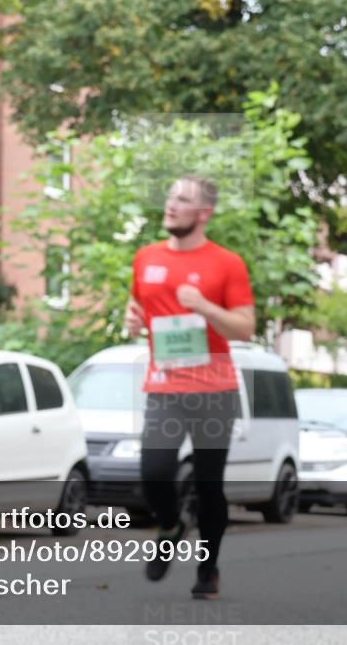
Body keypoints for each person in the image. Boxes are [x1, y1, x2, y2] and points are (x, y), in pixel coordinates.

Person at [124, 175, 255, 599]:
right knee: (155, 473)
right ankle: (171, 525)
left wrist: (204, 306)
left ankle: (208, 568)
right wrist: (132, 321)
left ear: (204, 213)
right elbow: (139, 307)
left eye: (182, 199)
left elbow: (246, 327)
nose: (171, 204)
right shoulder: (145, 257)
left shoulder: (227, 263)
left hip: (215, 388)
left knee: (208, 485)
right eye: (170, 196)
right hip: (165, 385)